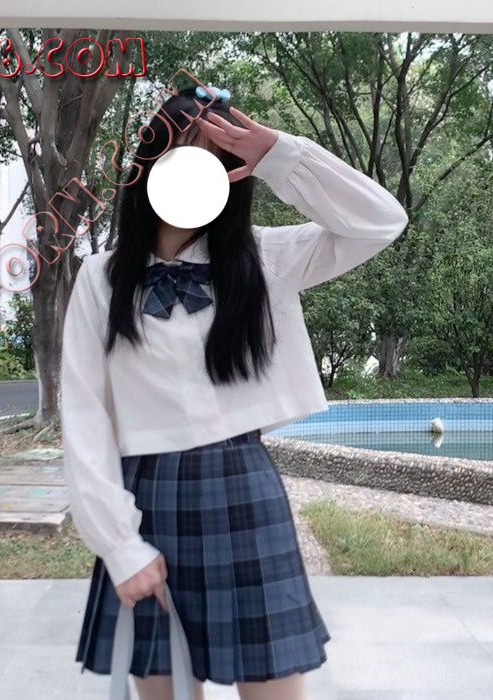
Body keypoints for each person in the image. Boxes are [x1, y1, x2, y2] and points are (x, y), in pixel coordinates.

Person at [60, 84, 409, 700]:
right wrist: (119, 545)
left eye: (217, 159)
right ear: (149, 164)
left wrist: (278, 155)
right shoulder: (101, 278)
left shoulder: (265, 258)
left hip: (242, 493)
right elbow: (85, 416)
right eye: (182, 155)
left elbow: (381, 221)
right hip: (146, 501)